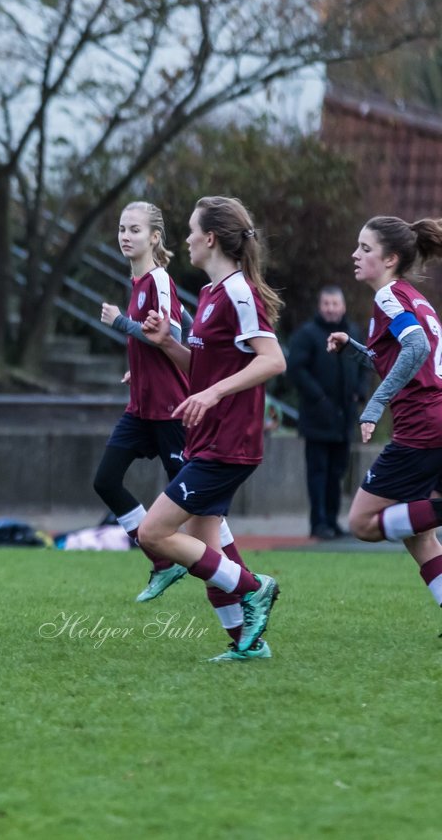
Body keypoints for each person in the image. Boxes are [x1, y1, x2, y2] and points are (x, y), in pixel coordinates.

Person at [137, 196, 285, 662]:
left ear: (211, 238)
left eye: (190, 230)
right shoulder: (208, 294)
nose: (185, 239)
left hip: (229, 440)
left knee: (153, 533)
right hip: (209, 437)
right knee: (205, 545)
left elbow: (272, 359)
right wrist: (167, 345)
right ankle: (248, 642)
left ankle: (254, 587)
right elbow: (204, 367)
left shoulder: (240, 292)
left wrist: (215, 394)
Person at [96, 201, 251, 608]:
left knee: (206, 517)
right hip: (141, 409)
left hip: (171, 412)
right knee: (105, 480)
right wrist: (139, 371)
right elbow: (155, 347)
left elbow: (172, 336)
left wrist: (120, 324)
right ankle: (163, 563)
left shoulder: (159, 279)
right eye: (121, 228)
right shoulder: (137, 284)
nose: (125, 236)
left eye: (134, 229)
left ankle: (242, 586)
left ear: (154, 237)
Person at [326, 216, 442, 626]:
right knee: (418, 533)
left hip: (422, 427)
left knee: (362, 523)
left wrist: (375, 406)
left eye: (365, 249)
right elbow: (403, 354)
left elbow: (416, 349)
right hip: (436, 420)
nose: (355, 255)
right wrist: (355, 347)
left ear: (390, 259)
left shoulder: (389, 296)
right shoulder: (413, 297)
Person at [287, 285, 367, 539]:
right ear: (320, 306)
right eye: (327, 304)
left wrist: (360, 392)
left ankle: (333, 521)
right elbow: (296, 370)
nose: (331, 309)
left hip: (345, 419)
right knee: (318, 473)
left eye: (335, 304)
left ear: (343, 306)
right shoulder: (307, 335)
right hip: (317, 419)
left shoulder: (352, 333)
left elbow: (365, 364)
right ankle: (318, 523)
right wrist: (318, 397)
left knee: (337, 474)